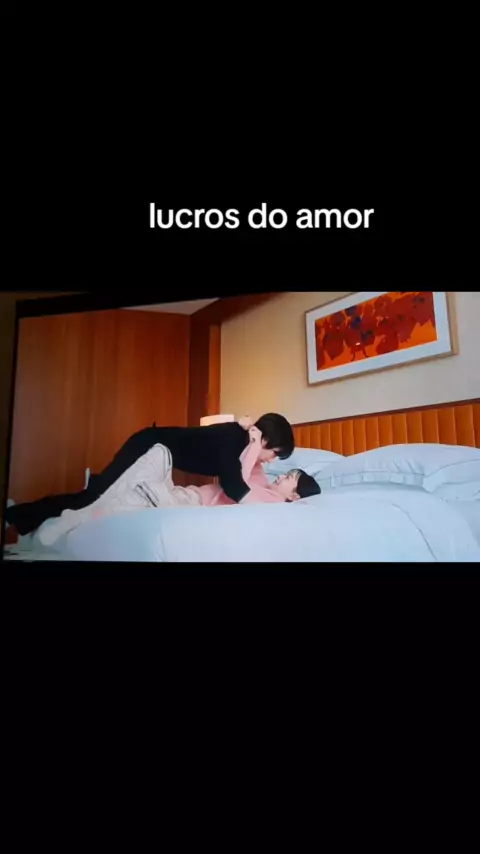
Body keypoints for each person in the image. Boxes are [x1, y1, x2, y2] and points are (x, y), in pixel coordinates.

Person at [5, 413, 295, 536]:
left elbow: (240, 480)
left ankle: (21, 517)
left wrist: (255, 445)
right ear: (267, 440)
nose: (271, 461)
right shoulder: (234, 438)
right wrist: (274, 509)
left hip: (156, 452)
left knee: (95, 495)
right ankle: (15, 515)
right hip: (150, 448)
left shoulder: (242, 444)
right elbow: (235, 487)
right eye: (274, 453)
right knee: (93, 497)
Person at [36, 425, 320, 546]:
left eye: (289, 477)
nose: (277, 470)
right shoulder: (254, 467)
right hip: (161, 458)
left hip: (186, 498)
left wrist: (256, 445)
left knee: (120, 495)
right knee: (106, 492)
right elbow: (240, 478)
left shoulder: (274, 505)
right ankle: (69, 511)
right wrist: (254, 444)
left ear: (295, 496)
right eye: (276, 456)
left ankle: (74, 517)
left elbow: (238, 490)